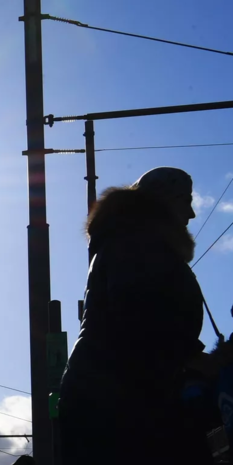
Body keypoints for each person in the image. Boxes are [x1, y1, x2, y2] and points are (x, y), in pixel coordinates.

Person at [59, 167, 215, 465]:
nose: (192, 214)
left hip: (110, 397)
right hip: (119, 403)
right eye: (186, 201)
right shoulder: (138, 244)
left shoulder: (130, 241)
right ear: (164, 202)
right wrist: (193, 358)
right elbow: (138, 314)